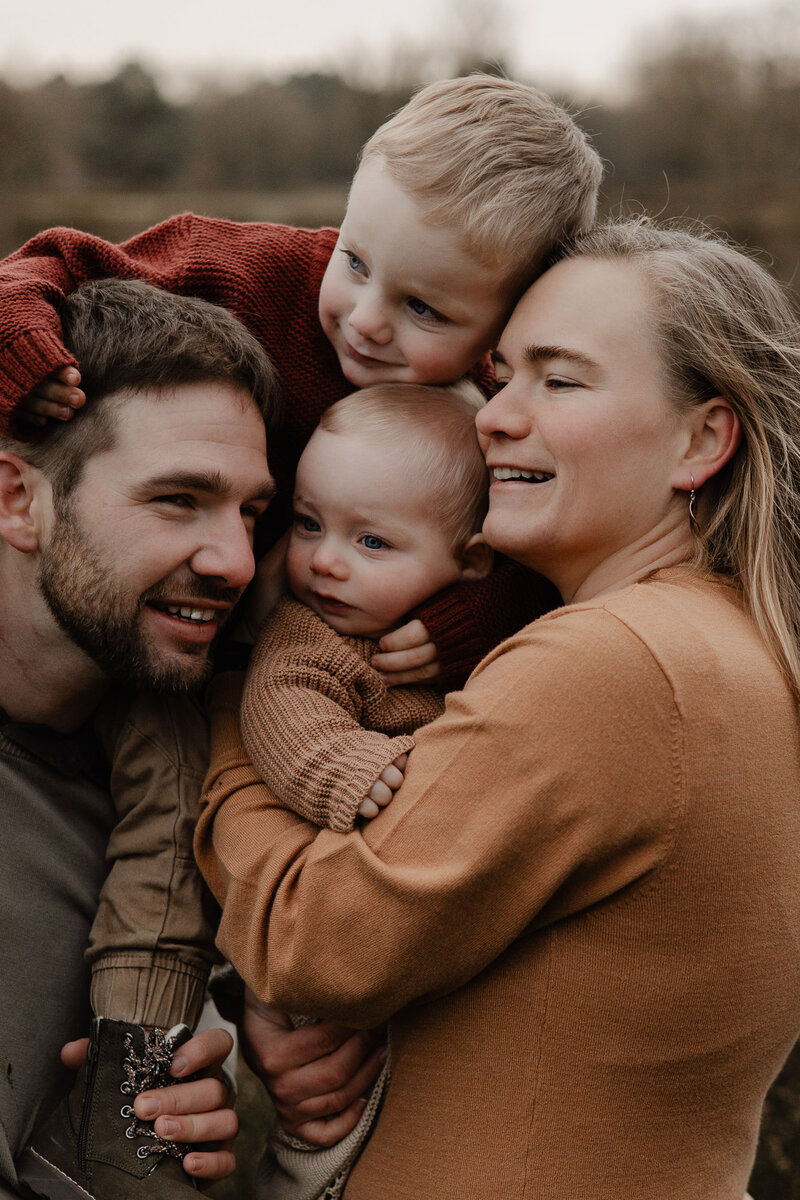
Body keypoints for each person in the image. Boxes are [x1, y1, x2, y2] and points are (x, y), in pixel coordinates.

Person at [195, 218, 800, 1199]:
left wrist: (224, 707)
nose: (490, 416)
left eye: (557, 381)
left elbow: (318, 939)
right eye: (500, 373)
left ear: (700, 439)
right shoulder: (730, 648)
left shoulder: (613, 666)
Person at [0, 73, 595, 686]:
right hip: (148, 614)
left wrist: (480, 618)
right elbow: (53, 262)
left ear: (503, 330)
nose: (365, 321)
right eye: (356, 261)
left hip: (287, 649)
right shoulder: (255, 271)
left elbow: (544, 542)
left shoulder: (490, 411)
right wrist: (23, 352)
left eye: (424, 309)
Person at [0, 276, 306, 1200]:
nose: (235, 562)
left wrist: (162, 1143)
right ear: (18, 499)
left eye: (252, 513)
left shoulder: (178, 790)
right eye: (179, 500)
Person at [240, 380, 492, 1199]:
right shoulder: (310, 631)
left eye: (373, 542)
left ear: (472, 564)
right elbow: (280, 705)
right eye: (309, 524)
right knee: (323, 1125)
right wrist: (352, 769)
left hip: (413, 938)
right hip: (330, 902)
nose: (325, 560)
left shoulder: (476, 644)